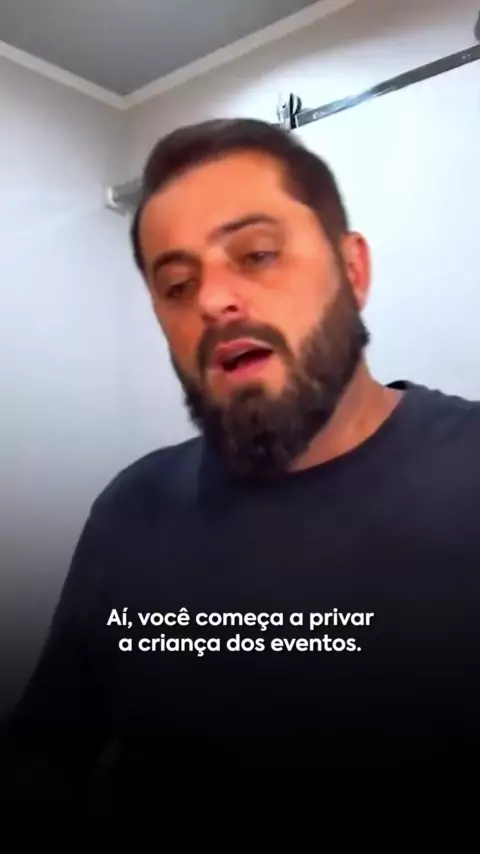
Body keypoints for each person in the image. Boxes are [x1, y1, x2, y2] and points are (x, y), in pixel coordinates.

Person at [3, 118, 480, 814]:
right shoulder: (131, 509)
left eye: (256, 254)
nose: (212, 301)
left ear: (353, 271)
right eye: (176, 285)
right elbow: (42, 762)